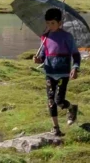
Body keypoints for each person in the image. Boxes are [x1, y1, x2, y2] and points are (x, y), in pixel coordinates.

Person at [34, 8, 81, 137]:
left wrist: (75, 68)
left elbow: (76, 55)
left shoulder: (67, 37)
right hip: (49, 73)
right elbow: (43, 57)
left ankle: (71, 108)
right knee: (50, 100)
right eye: (47, 23)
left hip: (63, 73)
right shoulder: (45, 38)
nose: (49, 26)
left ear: (60, 23)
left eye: (52, 23)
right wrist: (38, 60)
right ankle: (56, 128)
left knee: (59, 101)